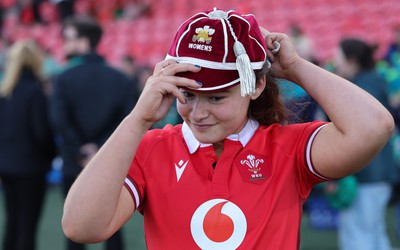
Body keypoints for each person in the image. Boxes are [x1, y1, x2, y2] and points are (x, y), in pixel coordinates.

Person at [61, 8, 395, 249]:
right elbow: (81, 226)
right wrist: (138, 119)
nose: (198, 112)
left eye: (217, 97)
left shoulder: (287, 147)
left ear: (256, 85)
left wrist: (294, 67)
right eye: (187, 95)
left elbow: (373, 127)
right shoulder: (152, 148)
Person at [50, 15, 134, 250]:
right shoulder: (120, 79)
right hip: (111, 163)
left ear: (84, 42)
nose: (65, 44)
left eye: (69, 38)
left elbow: (60, 122)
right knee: (114, 227)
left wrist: (81, 150)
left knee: (74, 231)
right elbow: (127, 122)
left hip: (74, 162)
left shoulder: (63, 79)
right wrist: (99, 150)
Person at [333, 38, 399, 250]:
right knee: (376, 233)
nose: (336, 62)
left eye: (340, 57)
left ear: (352, 59)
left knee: (357, 236)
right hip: (381, 175)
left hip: (364, 175)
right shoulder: (376, 80)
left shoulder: (356, 87)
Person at [0, 40, 56, 250]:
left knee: (12, 223)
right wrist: (51, 154)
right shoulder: (35, 92)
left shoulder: (5, 93)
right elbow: (42, 133)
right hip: (31, 168)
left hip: (6, 167)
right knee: (27, 226)